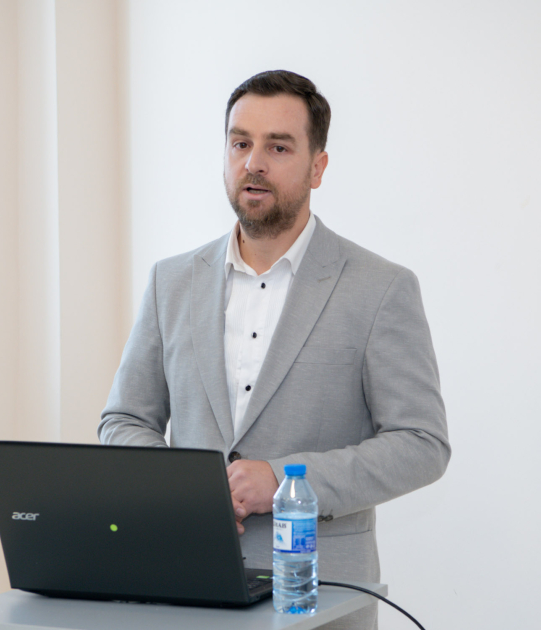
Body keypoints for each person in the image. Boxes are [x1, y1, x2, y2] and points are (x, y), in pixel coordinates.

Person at [100, 70, 450, 629]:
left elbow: (422, 444)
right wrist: (187, 488)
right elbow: (123, 421)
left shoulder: (380, 288)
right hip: (186, 589)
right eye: (240, 143)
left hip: (322, 599)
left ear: (318, 167)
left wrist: (286, 480)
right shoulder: (171, 282)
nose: (254, 163)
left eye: (278, 147)